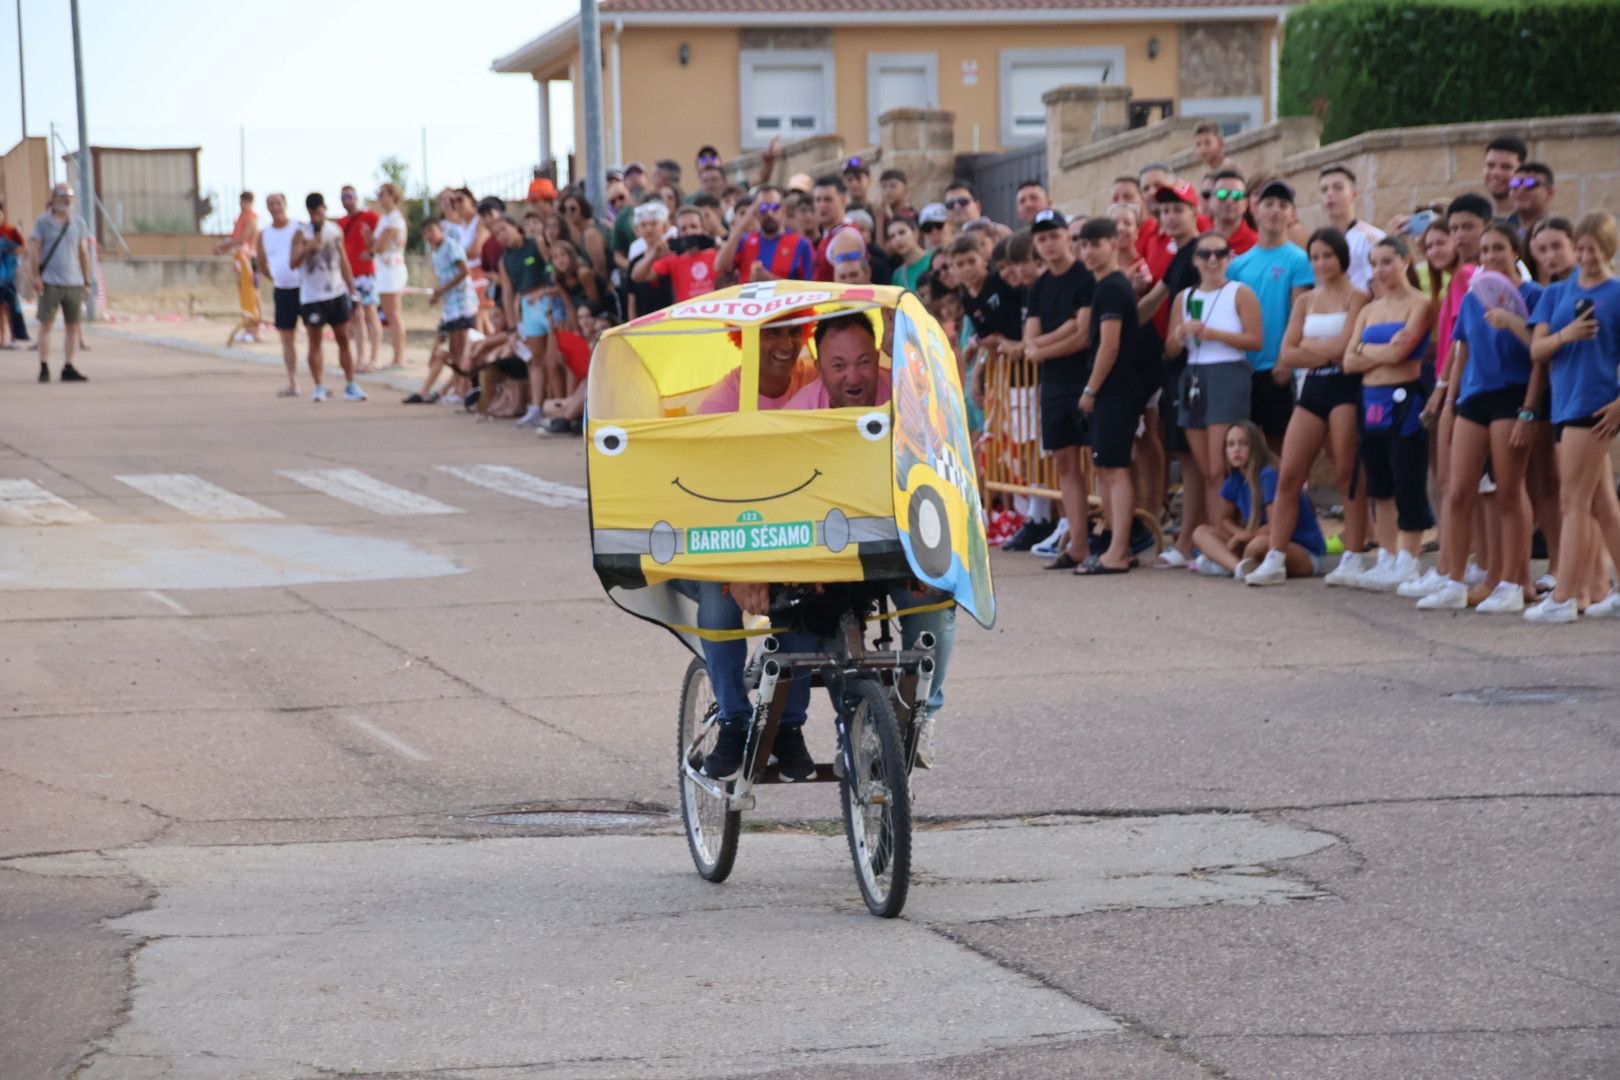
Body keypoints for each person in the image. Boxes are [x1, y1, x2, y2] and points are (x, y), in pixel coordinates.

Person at [698, 312, 953, 777]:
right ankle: (755, 720)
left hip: (889, 543)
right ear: (820, 366)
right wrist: (751, 568)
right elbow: (763, 500)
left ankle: (922, 713)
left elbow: (933, 476)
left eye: (862, 362)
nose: (852, 376)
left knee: (936, 597)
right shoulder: (791, 410)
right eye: (838, 366)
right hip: (802, 546)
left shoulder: (905, 397)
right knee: (797, 613)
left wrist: (926, 553)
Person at [1416, 222, 1543, 613]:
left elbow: (1541, 352)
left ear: (1515, 252)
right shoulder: (1473, 296)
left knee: (1508, 490)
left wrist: (1528, 411)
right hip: (1473, 397)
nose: (1490, 257)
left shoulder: (1534, 294)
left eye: (1498, 249)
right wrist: (1450, 403)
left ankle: (1511, 581)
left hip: (1512, 396)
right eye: (1485, 250)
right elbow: (1461, 351)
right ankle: (1453, 579)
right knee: (1457, 491)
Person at [1247, 228, 1371, 587]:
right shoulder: (1305, 301)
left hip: (1346, 387)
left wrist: (1312, 350)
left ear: (1342, 257)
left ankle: (1354, 553)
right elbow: (1287, 352)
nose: (1320, 263)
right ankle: (1276, 554)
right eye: (1314, 257)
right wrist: (1325, 350)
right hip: (1314, 387)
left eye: (1327, 256)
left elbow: (1346, 347)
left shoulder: (1358, 297)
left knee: (1347, 472)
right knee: (1289, 474)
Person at [1524, 211, 1620, 623]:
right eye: (1580, 247)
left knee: (1572, 500)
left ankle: (1564, 597)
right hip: (1565, 402)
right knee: (1602, 504)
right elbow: (1537, 349)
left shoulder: (1616, 292)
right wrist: (1567, 334)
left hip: (1595, 404)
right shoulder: (1556, 293)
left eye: (1593, 248)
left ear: (1608, 248)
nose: (1586, 255)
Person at [1165, 231, 1265, 569]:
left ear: (1229, 257)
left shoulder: (1240, 292)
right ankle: (1215, 541)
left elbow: (1256, 340)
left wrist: (1213, 333)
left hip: (1227, 374)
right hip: (1194, 376)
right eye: (1205, 253)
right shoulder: (1185, 297)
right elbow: (1170, 348)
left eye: (1219, 253)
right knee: (1208, 470)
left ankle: (1228, 537)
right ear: (1195, 259)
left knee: (1222, 466)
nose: (1212, 259)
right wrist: (1180, 335)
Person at [1344, 236, 1435, 591]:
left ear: (1405, 262)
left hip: (1404, 400)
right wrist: (1377, 348)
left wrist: (1366, 348)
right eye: (1375, 263)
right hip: (1371, 401)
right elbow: (1349, 361)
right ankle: (1386, 554)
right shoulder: (1369, 310)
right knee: (1379, 482)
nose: (1380, 270)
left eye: (1387, 262)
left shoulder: (1420, 303)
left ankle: (1409, 558)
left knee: (1407, 478)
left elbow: (1404, 354)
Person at [1138, 180, 1211, 567]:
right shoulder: (1179, 254)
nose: (1169, 216)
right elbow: (1155, 300)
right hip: (1180, 366)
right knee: (1188, 453)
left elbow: (1203, 305)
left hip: (1199, 365)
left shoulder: (1203, 251)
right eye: (1163, 210)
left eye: (1177, 209)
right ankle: (1192, 538)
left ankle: (1193, 541)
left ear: (1193, 210)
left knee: (1202, 458)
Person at [1018, 211, 1095, 569]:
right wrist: (1055, 335)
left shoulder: (1085, 277)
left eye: (1054, 236)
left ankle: (1107, 536)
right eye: (1042, 238)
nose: (1048, 244)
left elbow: (1082, 334)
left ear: (1068, 237)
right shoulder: (1040, 286)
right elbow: (1027, 340)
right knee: (1065, 463)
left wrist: (1043, 346)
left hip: (1085, 378)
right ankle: (1077, 542)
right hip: (1053, 384)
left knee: (1100, 462)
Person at [1073, 217, 1145, 576]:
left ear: (1113, 243)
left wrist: (1091, 389)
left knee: (1115, 470)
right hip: (1110, 392)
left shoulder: (1113, 288)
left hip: (1116, 391)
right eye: (1083, 245)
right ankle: (1116, 544)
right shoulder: (1105, 286)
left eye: (1095, 243)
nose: (1088, 252)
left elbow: (1110, 344)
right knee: (1106, 468)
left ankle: (1119, 550)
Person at [1229, 179, 1313, 451]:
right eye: (1269, 204)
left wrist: (1285, 359)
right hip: (1243, 368)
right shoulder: (1239, 264)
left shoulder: (1299, 260)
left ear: (1292, 214)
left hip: (1276, 367)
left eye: (1283, 205)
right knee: (1245, 444)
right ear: (1255, 210)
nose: (1275, 210)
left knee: (1280, 443)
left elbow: (1299, 314)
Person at [1191, 422, 1326, 579]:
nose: (1236, 449)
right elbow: (1223, 519)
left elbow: (1277, 525)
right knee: (1201, 532)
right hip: (1258, 540)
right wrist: (1239, 534)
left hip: (1302, 552)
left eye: (1243, 443)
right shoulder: (1235, 478)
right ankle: (1238, 568)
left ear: (1255, 446)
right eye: (1230, 444)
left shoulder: (1268, 474)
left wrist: (1248, 536)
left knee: (1258, 545)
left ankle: (1227, 564)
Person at [289, 193, 362, 402]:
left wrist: (352, 287)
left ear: (325, 210)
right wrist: (308, 247)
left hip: (336, 292)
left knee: (343, 339)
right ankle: (319, 385)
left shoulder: (334, 230)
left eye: (320, 212)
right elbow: (292, 262)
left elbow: (343, 261)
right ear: (309, 212)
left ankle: (350, 384)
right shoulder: (301, 233)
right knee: (315, 342)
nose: (317, 217)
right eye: (314, 213)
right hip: (312, 297)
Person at [30, 183, 93, 383]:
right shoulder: (43, 222)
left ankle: (69, 366)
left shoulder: (79, 223)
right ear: (54, 198)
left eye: (70, 196)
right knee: (46, 325)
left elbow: (83, 252)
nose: (66, 200)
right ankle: (44, 366)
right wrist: (36, 276)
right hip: (50, 281)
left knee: (72, 326)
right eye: (62, 196)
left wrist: (86, 281)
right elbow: (35, 250)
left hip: (74, 282)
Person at [422, 217, 478, 406]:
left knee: (461, 349)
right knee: (454, 350)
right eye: (426, 232)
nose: (429, 235)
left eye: (432, 230)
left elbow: (464, 271)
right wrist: (438, 294)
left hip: (463, 304)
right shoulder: (436, 252)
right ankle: (460, 387)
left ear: (440, 229)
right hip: (450, 306)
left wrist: (443, 290)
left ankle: (463, 388)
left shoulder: (450, 246)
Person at [256, 193, 304, 397]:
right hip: (283, 289)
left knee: (316, 333)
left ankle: (319, 380)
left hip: (304, 288)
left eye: (278, 203)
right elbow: (261, 263)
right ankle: (293, 381)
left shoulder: (299, 228)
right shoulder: (264, 234)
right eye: (271, 204)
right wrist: (276, 277)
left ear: (285, 204)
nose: (275, 207)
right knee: (286, 336)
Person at [715, 185, 813, 284]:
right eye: (763, 208)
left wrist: (770, 279)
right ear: (755, 211)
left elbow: (810, 286)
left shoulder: (801, 243)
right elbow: (721, 267)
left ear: (783, 210)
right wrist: (743, 222)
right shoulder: (745, 241)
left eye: (775, 207)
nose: (769, 213)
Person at [1316, 165, 1385, 292]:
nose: (1330, 194)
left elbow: (1379, 290)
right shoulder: (1319, 242)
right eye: (1324, 189)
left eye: (1338, 188)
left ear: (1353, 195)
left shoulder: (1369, 238)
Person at [633, 205, 719, 301]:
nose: (689, 232)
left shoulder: (717, 255)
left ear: (703, 229)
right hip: (687, 314)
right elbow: (637, 276)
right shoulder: (673, 259)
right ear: (678, 233)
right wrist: (654, 254)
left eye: (694, 226)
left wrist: (716, 242)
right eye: (683, 229)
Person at [215, 192, 261, 346]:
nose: (242, 204)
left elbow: (242, 239)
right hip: (240, 259)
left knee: (252, 295)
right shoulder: (240, 218)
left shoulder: (251, 219)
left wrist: (223, 246)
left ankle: (253, 330)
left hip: (249, 259)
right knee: (244, 296)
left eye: (244, 202)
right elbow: (235, 238)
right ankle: (247, 328)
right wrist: (224, 247)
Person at [371, 183, 408, 369]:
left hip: (391, 268)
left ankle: (399, 357)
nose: (380, 198)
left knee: (393, 314)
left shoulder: (394, 219)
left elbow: (379, 246)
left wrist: (372, 241)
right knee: (391, 313)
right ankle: (397, 355)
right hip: (384, 268)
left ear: (393, 196)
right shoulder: (385, 218)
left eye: (383, 194)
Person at [810, 175, 854, 282]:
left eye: (828, 199)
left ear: (843, 200)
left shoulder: (845, 237)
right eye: (818, 200)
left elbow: (847, 284)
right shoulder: (829, 234)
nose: (822, 205)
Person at [1207, 170, 1257, 256]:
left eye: (1237, 195)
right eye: (1222, 194)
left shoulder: (1257, 245)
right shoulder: (1200, 244)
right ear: (1210, 201)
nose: (1229, 200)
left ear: (1246, 203)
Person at [0, 197, 26, 350]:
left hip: (8, 276)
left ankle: (13, 337)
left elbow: (24, 247)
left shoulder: (11, 231)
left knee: (10, 306)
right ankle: (2, 338)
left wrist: (10, 251)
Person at [1482, 134, 1527, 219]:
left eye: (1506, 167)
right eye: (1490, 165)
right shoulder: (1472, 219)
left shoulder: (1534, 224)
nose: (1496, 173)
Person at [886, 216, 931, 292]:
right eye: (892, 236)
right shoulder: (898, 275)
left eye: (902, 232)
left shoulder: (934, 260)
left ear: (915, 233)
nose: (897, 239)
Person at [1510, 162, 1555, 236]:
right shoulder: (1500, 232)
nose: (1521, 189)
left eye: (1530, 183)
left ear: (1550, 193)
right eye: (1515, 183)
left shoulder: (1559, 232)